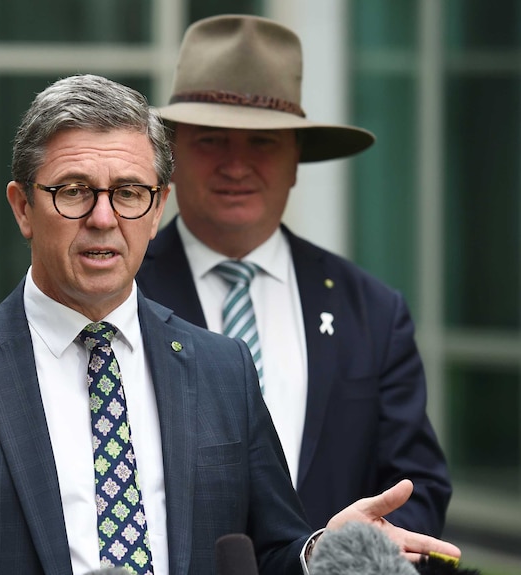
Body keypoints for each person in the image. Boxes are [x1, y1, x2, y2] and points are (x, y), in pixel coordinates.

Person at [0, 74, 459, 575]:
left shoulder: (222, 368)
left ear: (156, 209)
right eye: (73, 191)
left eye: (129, 192)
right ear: (23, 208)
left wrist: (316, 553)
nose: (104, 218)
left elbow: (268, 551)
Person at [136, 14, 452, 536]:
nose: (236, 166)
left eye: (262, 143)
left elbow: (417, 485)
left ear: (296, 158)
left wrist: (355, 553)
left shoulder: (371, 310)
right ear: (171, 155)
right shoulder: (117, 295)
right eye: (213, 139)